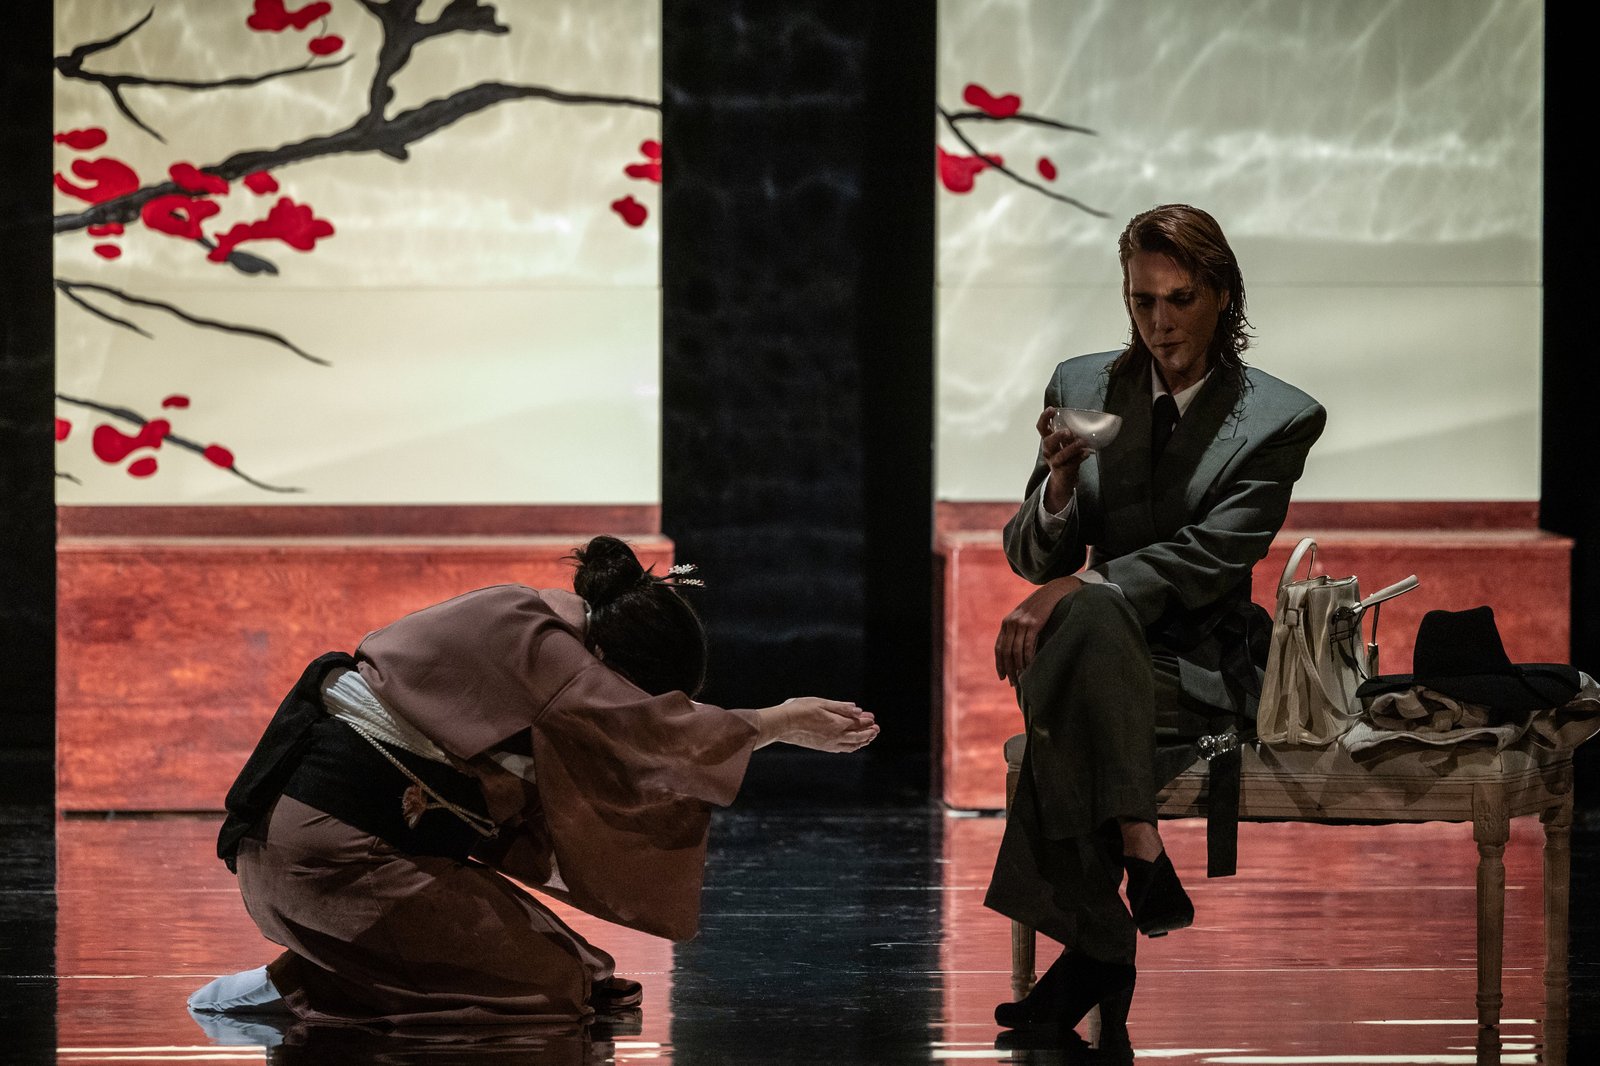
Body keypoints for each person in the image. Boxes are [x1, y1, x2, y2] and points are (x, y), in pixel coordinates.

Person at [188, 535, 878, 1027]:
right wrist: (772, 722)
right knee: (544, 990)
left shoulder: (532, 623)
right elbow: (651, 733)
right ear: (611, 660)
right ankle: (305, 987)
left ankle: (324, 966)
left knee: (586, 974)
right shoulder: (545, 646)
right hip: (327, 856)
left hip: (345, 849)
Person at [985, 204, 1326, 1044]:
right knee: (1084, 636)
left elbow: (1210, 557)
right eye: (1143, 301)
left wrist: (1077, 588)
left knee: (1072, 662)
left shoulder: (1279, 418)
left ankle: (1102, 944)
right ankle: (1140, 851)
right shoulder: (1082, 387)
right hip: (1097, 648)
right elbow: (1031, 556)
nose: (1160, 322)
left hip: (1199, 661)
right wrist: (1059, 486)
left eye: (1180, 300)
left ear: (1222, 296)